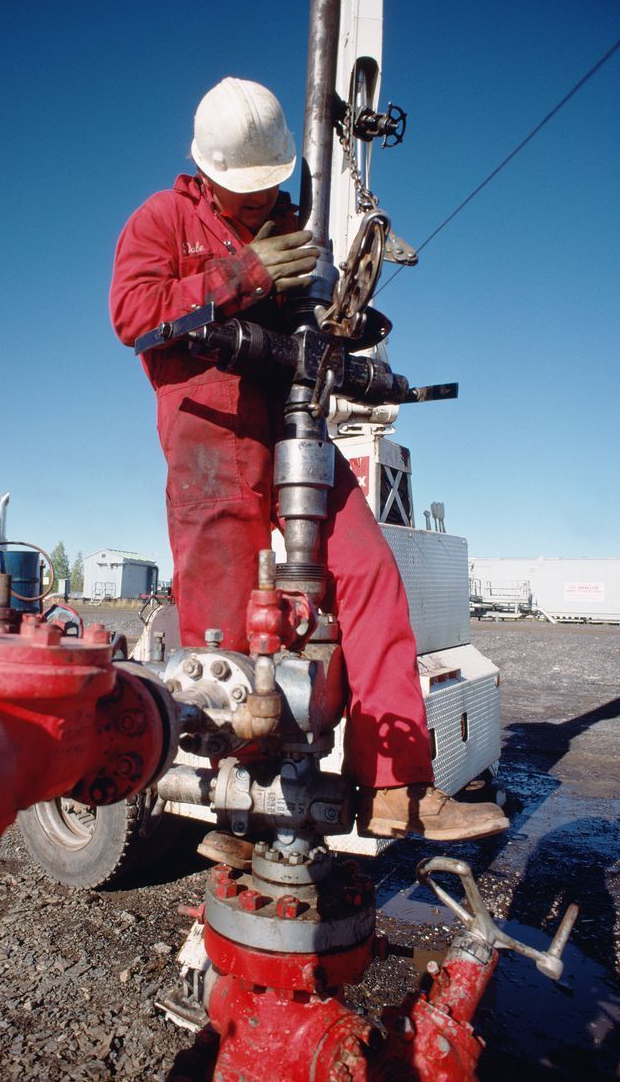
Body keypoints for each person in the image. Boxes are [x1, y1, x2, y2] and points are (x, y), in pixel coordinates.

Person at [110, 77, 507, 842]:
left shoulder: (299, 223)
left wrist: (338, 319)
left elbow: (320, 323)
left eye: (271, 186)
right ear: (208, 172)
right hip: (210, 441)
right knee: (226, 641)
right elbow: (133, 315)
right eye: (244, 189)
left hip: (297, 431)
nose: (261, 202)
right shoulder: (162, 220)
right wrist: (243, 273)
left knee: (369, 576)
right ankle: (245, 811)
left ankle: (396, 789)